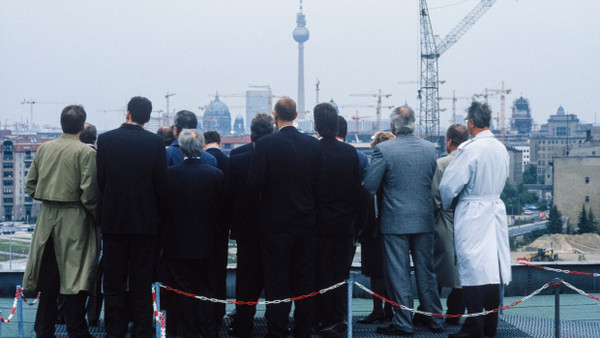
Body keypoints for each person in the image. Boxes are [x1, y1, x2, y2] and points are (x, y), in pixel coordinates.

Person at [247, 97, 325, 338]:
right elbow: (320, 187)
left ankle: (278, 330)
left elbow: (253, 184)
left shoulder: (266, 145)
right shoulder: (313, 145)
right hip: (306, 225)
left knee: (276, 281)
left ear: (274, 115)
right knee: (304, 280)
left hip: (275, 226)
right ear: (297, 114)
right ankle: (303, 330)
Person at [363, 106, 444, 336]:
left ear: (392, 127)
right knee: (426, 272)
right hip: (424, 219)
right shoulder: (430, 149)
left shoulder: (384, 150)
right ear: (414, 124)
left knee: (398, 273)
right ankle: (436, 320)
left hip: (395, 222)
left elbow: (369, 185)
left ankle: (403, 322)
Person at [23, 105, 100, 338]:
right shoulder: (86, 153)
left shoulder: (44, 148)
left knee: (48, 279)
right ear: (81, 126)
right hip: (75, 219)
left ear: (61, 123)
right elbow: (90, 194)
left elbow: (30, 186)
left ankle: (43, 329)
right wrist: (98, 218)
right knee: (74, 279)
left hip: (46, 220)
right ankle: (77, 329)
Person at [97, 96, 168, 337]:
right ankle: (142, 329)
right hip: (145, 223)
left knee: (113, 281)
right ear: (147, 118)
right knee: (141, 281)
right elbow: (161, 186)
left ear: (127, 113)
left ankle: (114, 329)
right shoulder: (156, 143)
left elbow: (101, 182)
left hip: (113, 221)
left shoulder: (105, 140)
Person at [439, 102, 511, 338]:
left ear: (470, 123)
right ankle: (490, 327)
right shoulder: (501, 148)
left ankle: (474, 328)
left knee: (471, 270)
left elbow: (449, 186)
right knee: (491, 271)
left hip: (472, 211)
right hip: (494, 211)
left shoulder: (470, 149)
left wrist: (450, 203)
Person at [161, 129, 224, 337]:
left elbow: (163, 211)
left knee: (182, 289)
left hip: (177, 244)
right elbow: (221, 211)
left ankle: (186, 330)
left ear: (182, 148)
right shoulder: (216, 175)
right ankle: (207, 329)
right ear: (202, 147)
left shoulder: (169, 175)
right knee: (206, 287)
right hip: (207, 243)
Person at [312, 103, 362, 335]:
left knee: (320, 273)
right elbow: (357, 192)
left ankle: (321, 318)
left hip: (318, 224)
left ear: (316, 125)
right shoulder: (351, 153)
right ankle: (340, 317)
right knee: (342, 274)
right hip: (345, 224)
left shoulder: (312, 150)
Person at [227, 114, 275, 337]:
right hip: (275, 228)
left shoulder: (236, 157)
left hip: (246, 229)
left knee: (245, 278)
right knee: (276, 277)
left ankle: (243, 323)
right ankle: (276, 323)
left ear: (251, 135)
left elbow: (228, 196)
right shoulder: (281, 156)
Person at [431, 124, 469, 326]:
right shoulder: (472, 162)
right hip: (469, 221)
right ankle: (455, 314)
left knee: (437, 269)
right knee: (462, 272)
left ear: (448, 142)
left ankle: (430, 313)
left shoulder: (441, 163)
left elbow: (435, 197)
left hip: (445, 219)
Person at [357, 131, 395, 325]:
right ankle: (390, 309)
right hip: (394, 225)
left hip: (374, 226)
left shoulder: (376, 169)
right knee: (391, 269)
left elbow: (367, 190)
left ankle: (377, 310)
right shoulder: (395, 170)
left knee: (375, 271)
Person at [203, 130, 230, 325]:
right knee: (220, 268)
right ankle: (219, 310)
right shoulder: (230, 161)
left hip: (200, 226)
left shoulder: (202, 159)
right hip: (222, 225)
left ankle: (203, 312)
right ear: (220, 142)